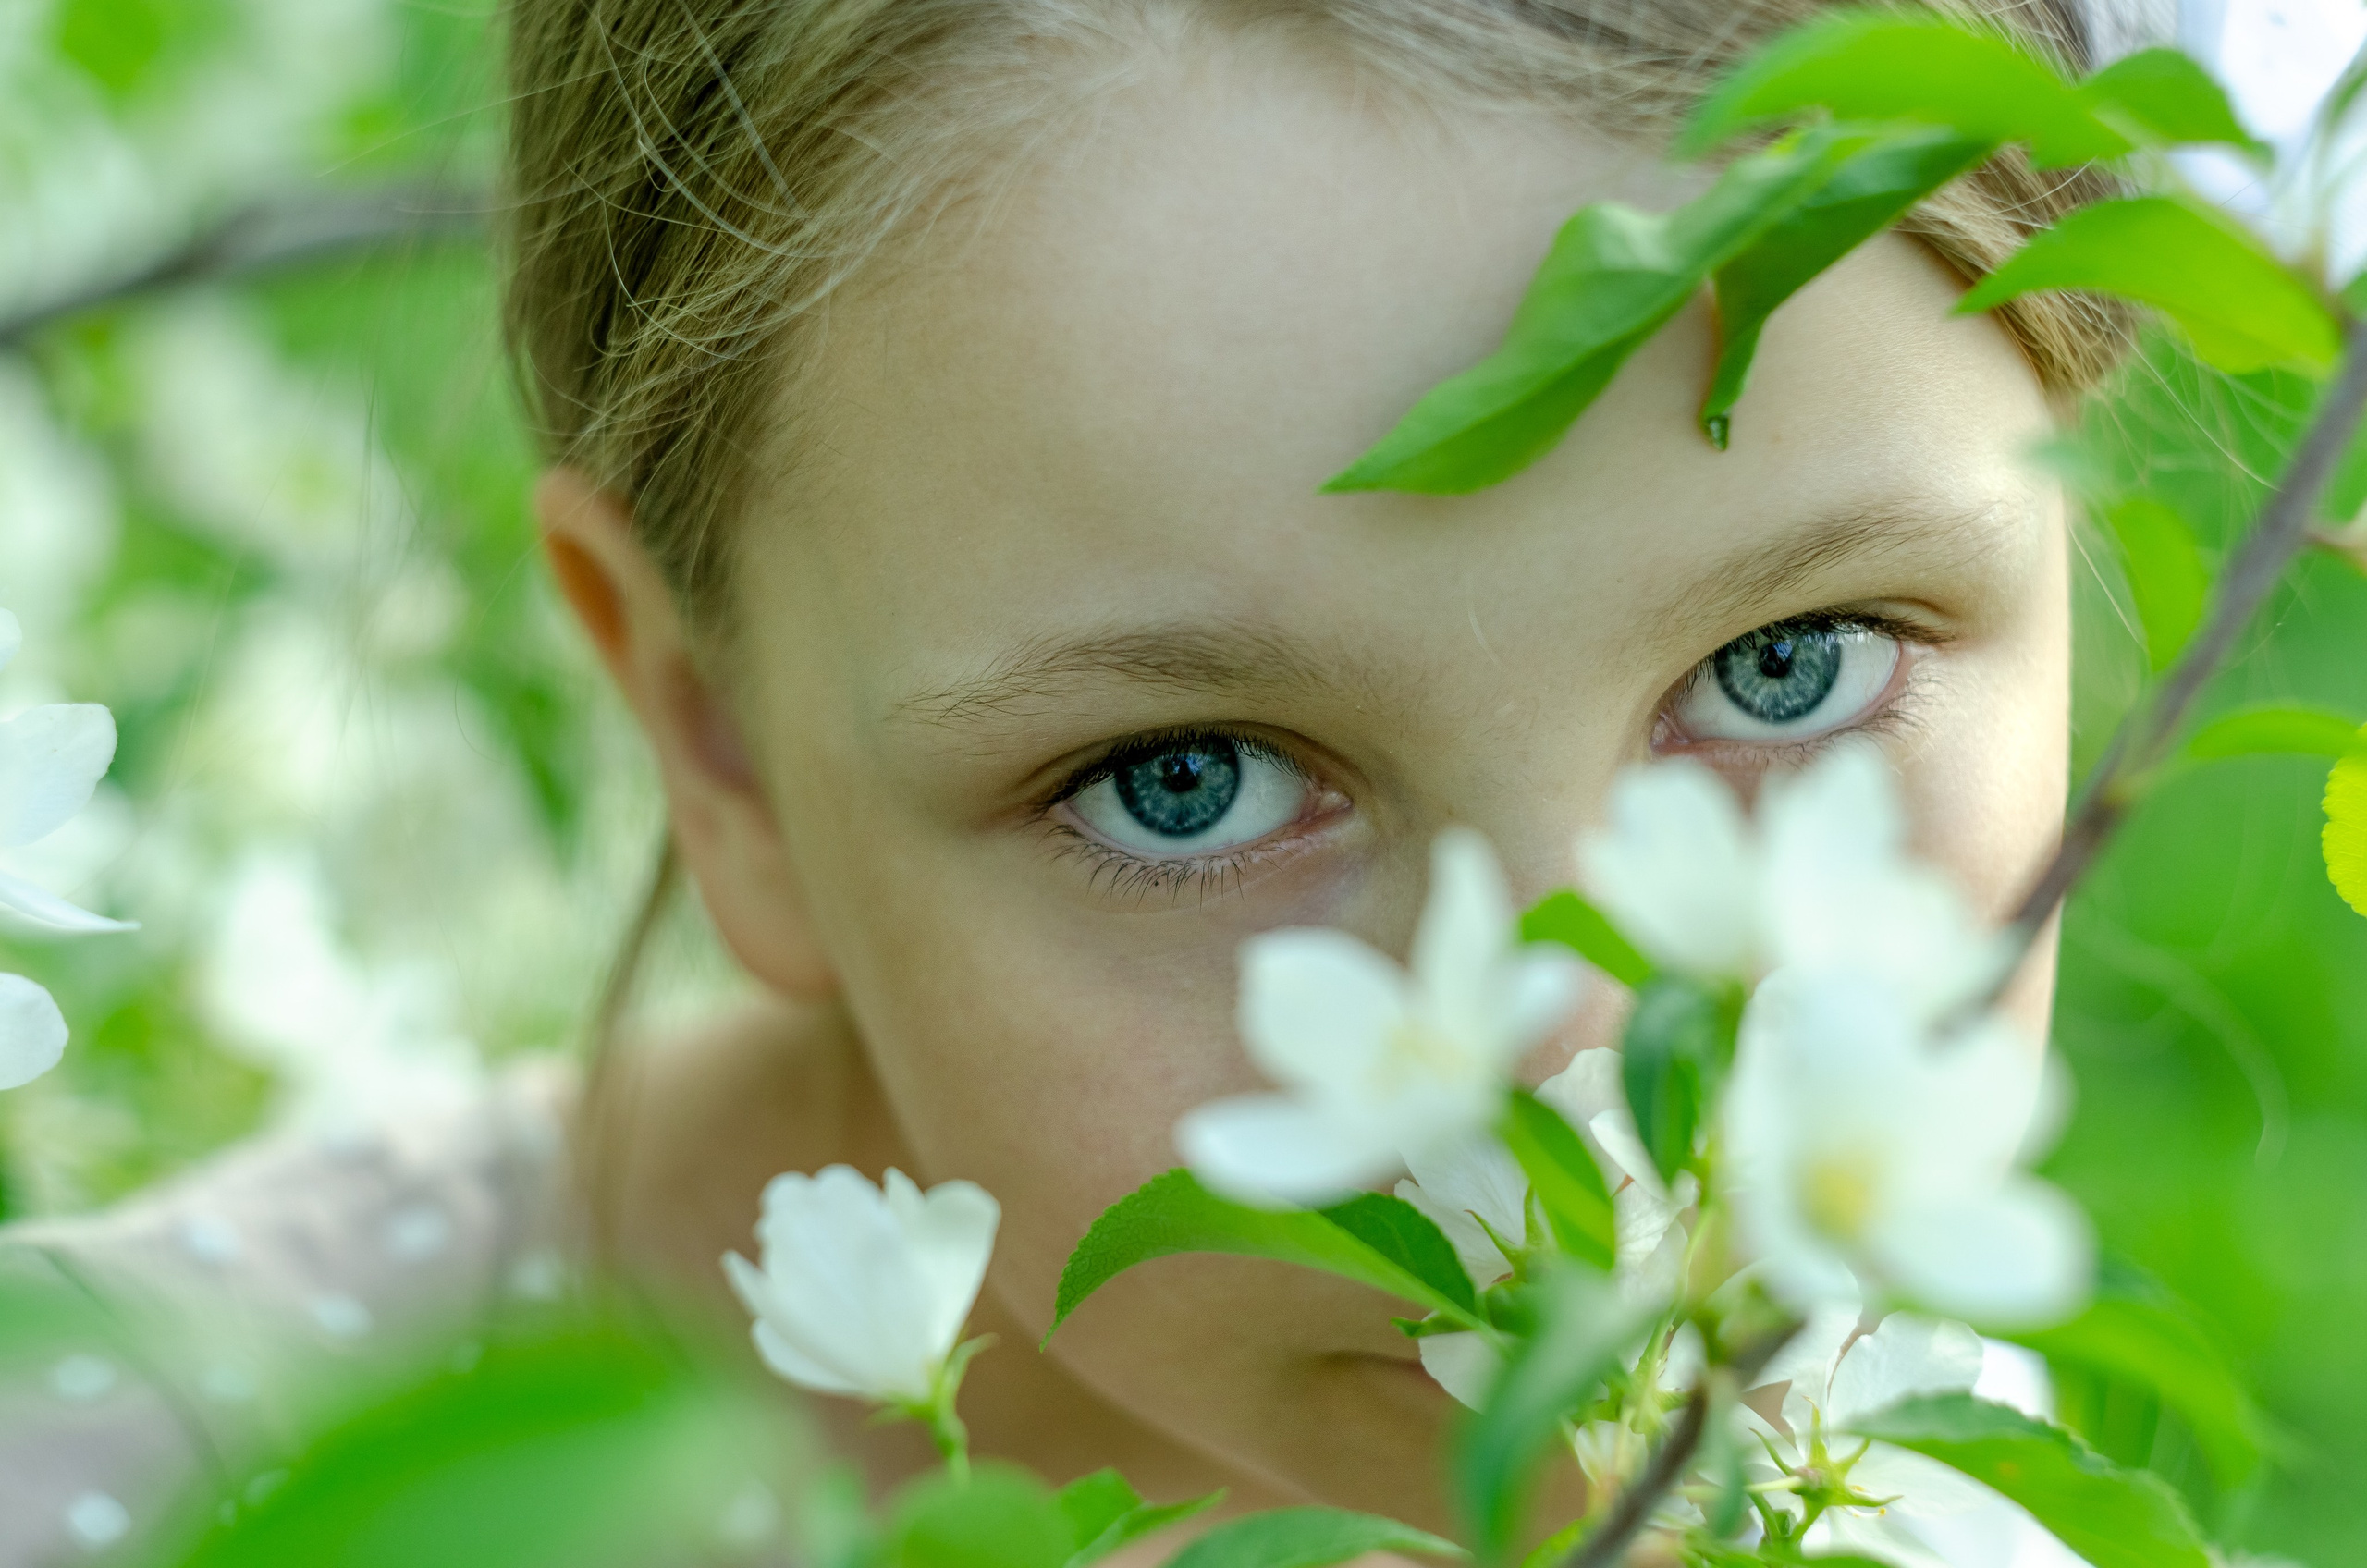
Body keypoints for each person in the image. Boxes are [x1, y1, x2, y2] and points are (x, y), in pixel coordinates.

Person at [0, 0, 2147, 1560]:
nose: (1567, 1093)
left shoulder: (1923, 1470)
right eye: (1186, 780)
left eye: (1787, 667)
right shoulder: (151, 1465)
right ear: (716, 743)